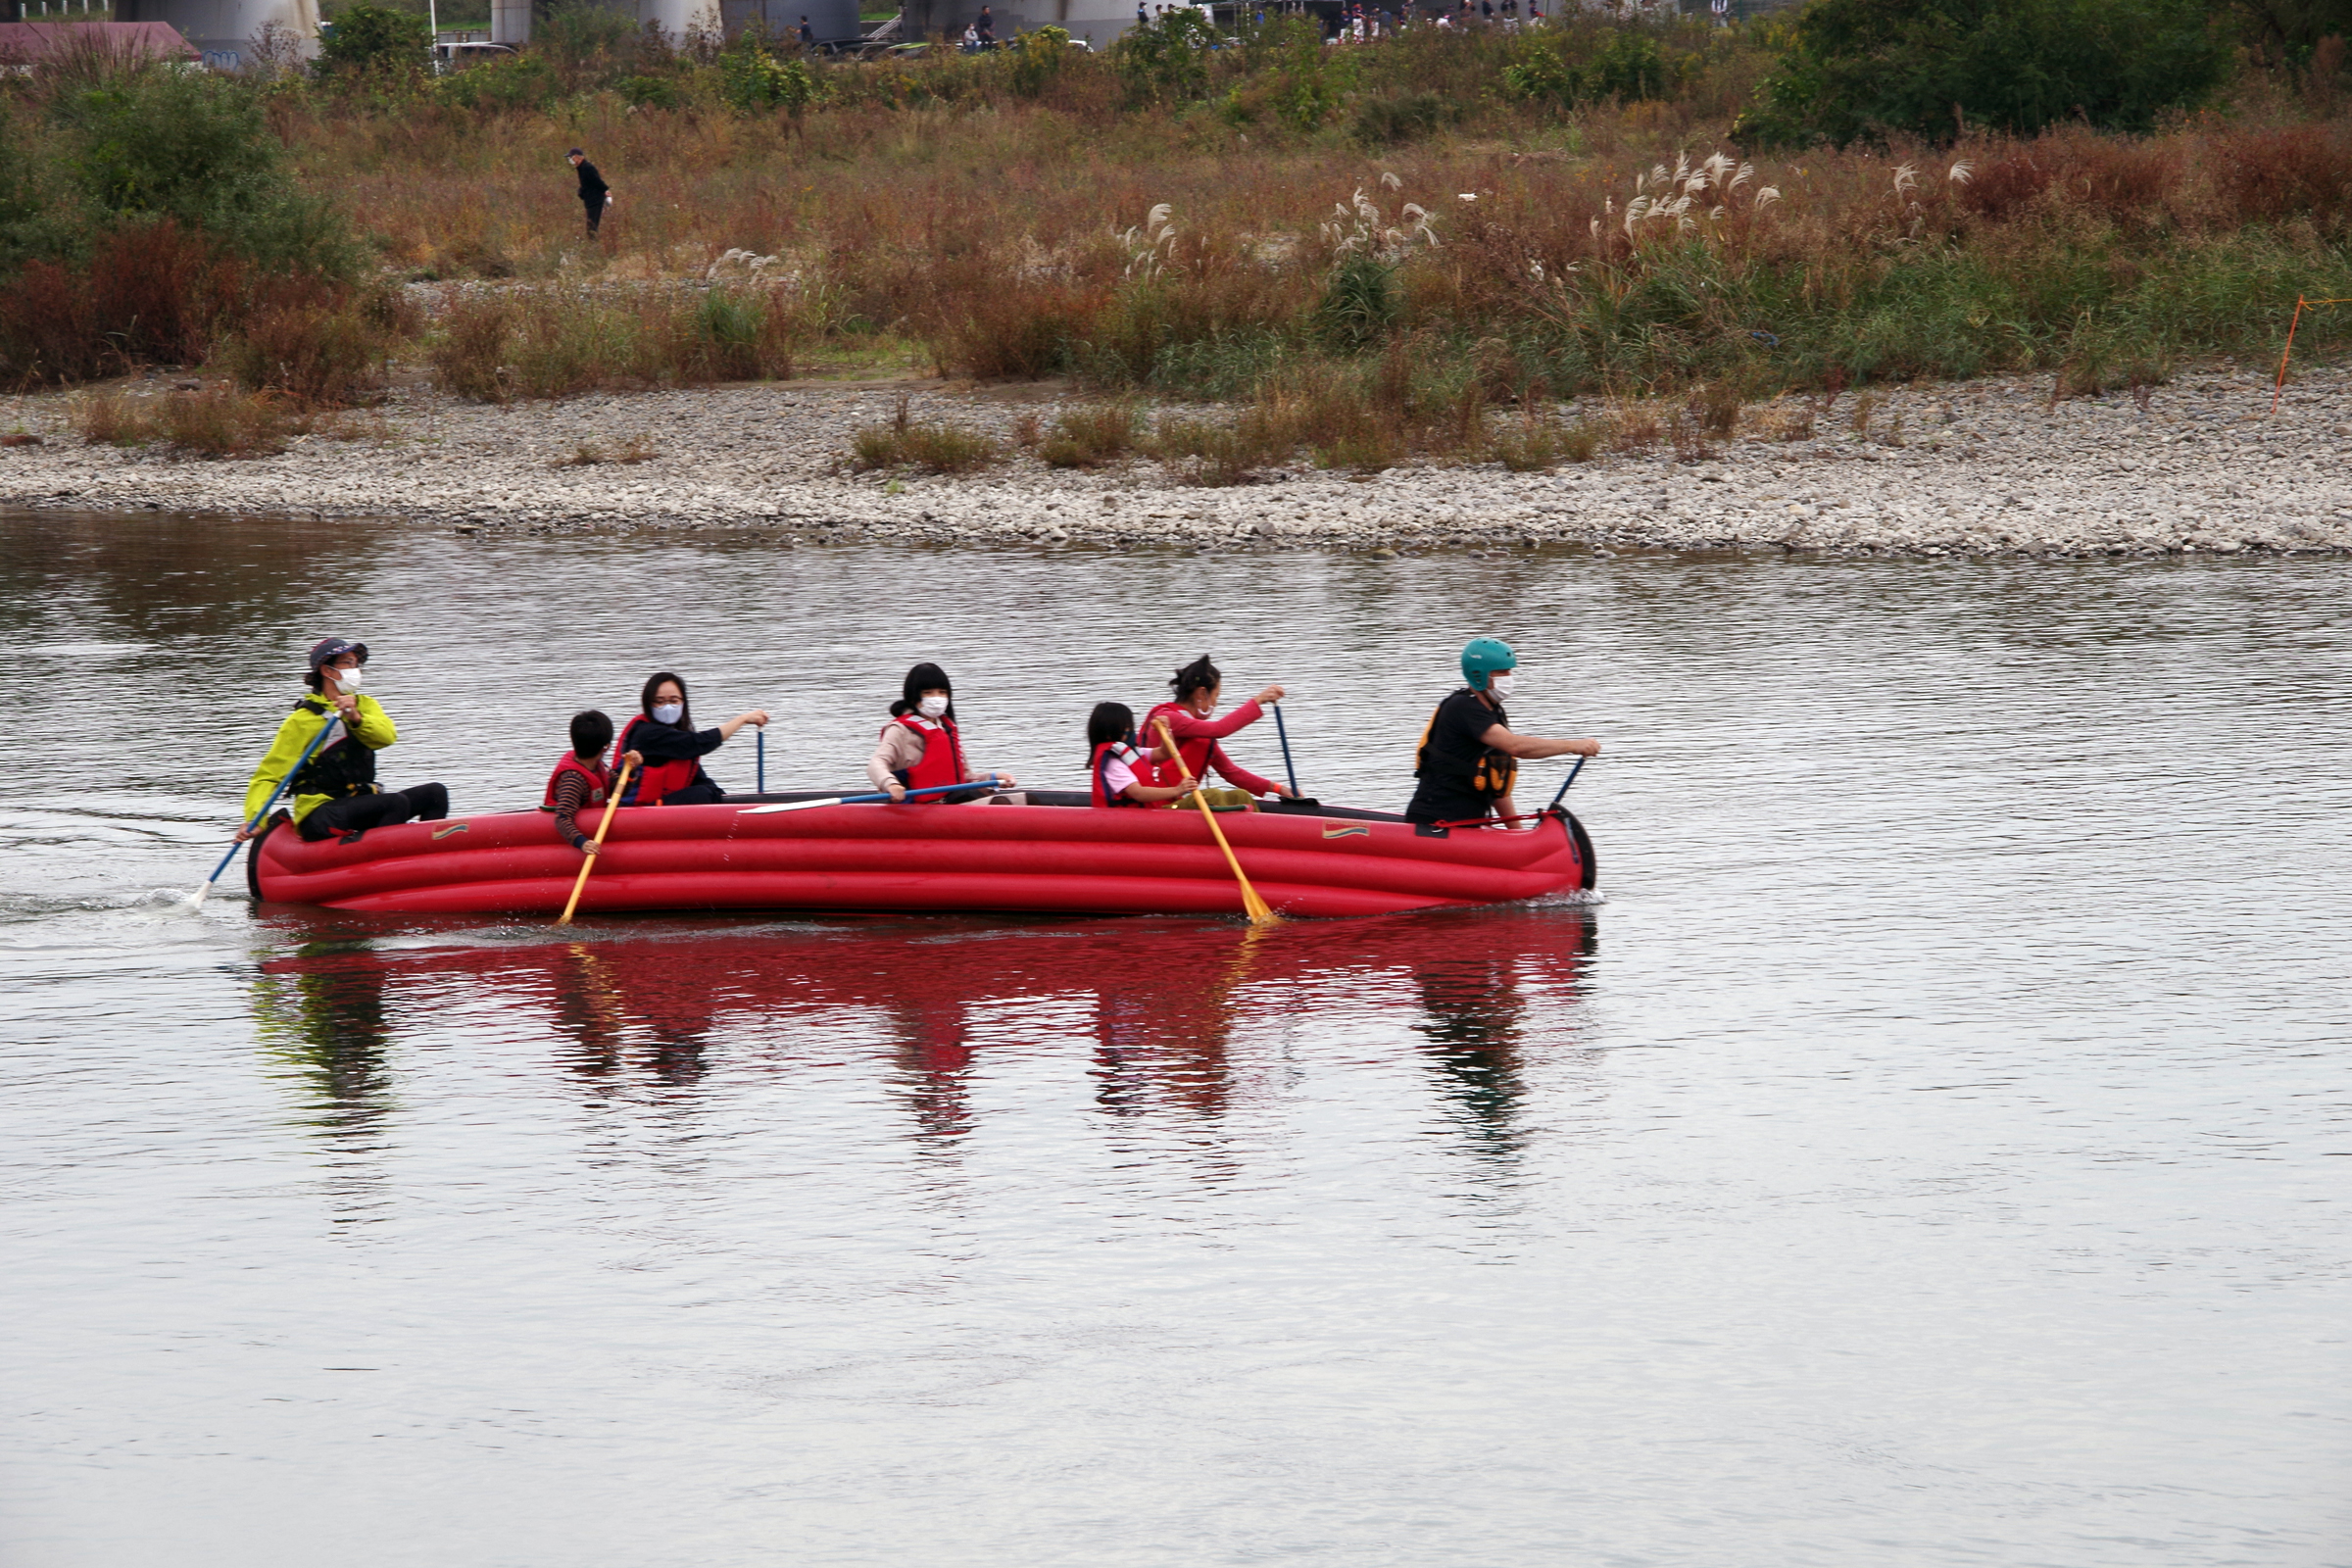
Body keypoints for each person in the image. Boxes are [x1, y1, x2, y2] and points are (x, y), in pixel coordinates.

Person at [234, 638, 450, 849]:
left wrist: (356, 718)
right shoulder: (302, 720)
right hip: (318, 812)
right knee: (395, 803)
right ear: (327, 671)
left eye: (356, 664)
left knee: (435, 793)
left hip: (358, 801)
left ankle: (427, 858)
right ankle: (382, 864)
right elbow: (269, 776)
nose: (354, 670)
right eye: (347, 663)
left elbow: (387, 737)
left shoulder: (365, 706)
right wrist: (255, 819)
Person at [1404, 637, 1599, 827]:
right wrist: (1573, 746)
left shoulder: (1493, 712)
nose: (1508, 678)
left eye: (1509, 672)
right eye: (1502, 672)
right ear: (1479, 675)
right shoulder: (1463, 707)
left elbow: (1496, 783)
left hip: (1468, 823)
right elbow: (1516, 747)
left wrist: (1517, 833)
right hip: (1436, 820)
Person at [1142, 654, 1297, 809]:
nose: (1216, 703)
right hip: (1155, 804)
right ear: (1202, 694)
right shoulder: (1167, 717)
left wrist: (1279, 789)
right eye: (1216, 696)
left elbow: (1231, 772)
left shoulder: (1199, 734)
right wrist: (1258, 700)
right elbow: (1219, 729)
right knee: (1213, 795)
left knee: (1241, 795)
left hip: (1176, 802)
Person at [866, 662, 1019, 803]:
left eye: (942, 692)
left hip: (949, 801)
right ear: (914, 697)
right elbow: (876, 764)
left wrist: (992, 778)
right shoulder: (899, 730)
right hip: (915, 806)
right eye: (928, 693)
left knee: (1022, 799)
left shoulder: (946, 728)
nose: (936, 698)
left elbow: (963, 777)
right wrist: (890, 784)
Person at [614, 672, 767, 808]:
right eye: (659, 702)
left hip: (663, 806)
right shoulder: (648, 733)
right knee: (702, 794)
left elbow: (699, 778)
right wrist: (742, 720)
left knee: (709, 789)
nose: (667, 707)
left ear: (683, 703)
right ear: (648, 704)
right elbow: (702, 742)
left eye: (674, 701)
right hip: (640, 812)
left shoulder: (677, 735)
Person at [544, 710, 643, 857]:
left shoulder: (598, 766)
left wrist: (630, 770)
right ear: (606, 747)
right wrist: (582, 842)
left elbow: (619, 791)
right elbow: (562, 818)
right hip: (574, 845)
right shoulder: (573, 781)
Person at [1086, 703, 1198, 808]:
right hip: (1137, 819)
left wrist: (1167, 732)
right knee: (1212, 795)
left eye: (1130, 726)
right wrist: (1177, 790)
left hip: (1155, 809)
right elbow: (1138, 793)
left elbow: (1165, 752)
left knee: (1211, 796)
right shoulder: (1113, 764)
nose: (1131, 732)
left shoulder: (1133, 753)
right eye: (1126, 728)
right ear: (1109, 735)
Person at [567, 148, 611, 238]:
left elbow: (597, 181)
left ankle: (594, 247)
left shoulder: (587, 167)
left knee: (592, 227)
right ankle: (593, 245)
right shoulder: (581, 168)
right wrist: (581, 192)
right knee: (591, 227)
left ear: (578, 157)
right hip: (590, 201)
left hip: (595, 200)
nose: (570, 160)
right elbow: (587, 184)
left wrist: (605, 190)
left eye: (571, 157)